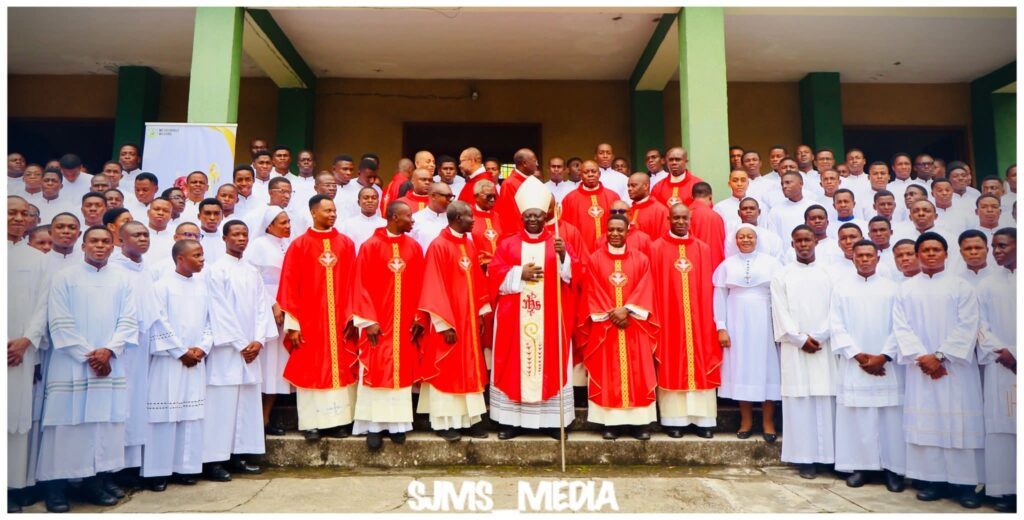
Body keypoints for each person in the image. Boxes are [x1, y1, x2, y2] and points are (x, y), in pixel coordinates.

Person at [39, 226, 137, 512]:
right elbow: (59, 320)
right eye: (93, 241)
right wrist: (90, 356)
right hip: (71, 364)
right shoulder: (64, 277)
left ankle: (94, 482)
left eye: (106, 241)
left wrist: (109, 350)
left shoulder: (122, 279)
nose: (100, 246)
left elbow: (128, 320)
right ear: (83, 246)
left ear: (113, 247)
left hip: (109, 364)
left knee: (102, 426)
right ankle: (56, 487)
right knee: (65, 426)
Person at [893, 232, 984, 509]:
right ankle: (932, 481)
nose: (931, 254)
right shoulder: (906, 289)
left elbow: (968, 325)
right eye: (925, 250)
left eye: (936, 250)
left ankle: (965, 484)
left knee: (959, 423)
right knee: (927, 424)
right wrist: (923, 358)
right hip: (921, 368)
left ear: (946, 253)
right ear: (918, 255)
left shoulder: (962, 287)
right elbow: (901, 327)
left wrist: (941, 357)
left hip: (955, 369)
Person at [488, 177, 576, 440]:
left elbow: (574, 276)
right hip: (514, 318)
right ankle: (511, 421)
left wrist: (564, 257)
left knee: (550, 365)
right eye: (529, 216)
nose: (534, 220)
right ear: (522, 217)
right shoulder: (508, 243)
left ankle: (552, 422)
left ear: (545, 216)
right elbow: (494, 275)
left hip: (550, 317)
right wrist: (519, 273)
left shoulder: (558, 242)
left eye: (538, 215)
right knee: (513, 366)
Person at [278, 196, 359, 441]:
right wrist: (293, 325)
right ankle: (311, 423)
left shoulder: (346, 244)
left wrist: (353, 317)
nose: (332, 214)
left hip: (340, 318)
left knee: (340, 366)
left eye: (334, 210)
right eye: (327, 211)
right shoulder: (299, 245)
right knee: (310, 367)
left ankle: (339, 422)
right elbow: (289, 285)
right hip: (310, 320)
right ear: (313, 213)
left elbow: (354, 282)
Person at [829, 240, 906, 492]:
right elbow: (836, 325)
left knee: (889, 418)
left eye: (869, 255)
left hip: (887, 364)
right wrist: (859, 356)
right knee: (858, 417)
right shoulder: (841, 289)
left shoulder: (893, 289)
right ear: (852, 258)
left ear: (878, 258)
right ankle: (861, 466)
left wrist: (883, 356)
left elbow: (900, 326)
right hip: (855, 363)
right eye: (859, 255)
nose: (864, 260)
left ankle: (892, 469)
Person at [202, 220, 276, 480]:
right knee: (222, 406)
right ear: (224, 238)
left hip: (251, 349)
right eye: (235, 234)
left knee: (245, 405)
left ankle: (238, 456)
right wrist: (240, 344)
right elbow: (218, 310)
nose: (241, 238)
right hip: (228, 351)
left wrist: (259, 340)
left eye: (244, 234)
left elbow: (262, 307)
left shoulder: (251, 271)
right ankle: (215, 461)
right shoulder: (216, 270)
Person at [350, 201, 425, 450]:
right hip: (378, 323)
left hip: (404, 323)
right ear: (394, 217)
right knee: (376, 369)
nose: (412, 220)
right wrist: (368, 321)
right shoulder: (370, 246)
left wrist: (419, 317)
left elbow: (421, 284)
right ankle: (374, 426)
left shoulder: (413, 247)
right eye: (408, 216)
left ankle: (398, 426)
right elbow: (360, 284)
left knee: (400, 370)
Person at [109, 221, 178, 492]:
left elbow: (153, 310)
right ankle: (111, 470)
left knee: (137, 407)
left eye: (145, 235)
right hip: (119, 349)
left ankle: (131, 467)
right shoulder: (114, 269)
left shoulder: (145, 269)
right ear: (121, 240)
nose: (143, 239)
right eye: (136, 235)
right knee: (119, 406)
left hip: (142, 348)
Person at [416, 201, 492, 442]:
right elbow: (433, 286)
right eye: (470, 216)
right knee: (448, 369)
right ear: (458, 218)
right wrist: (444, 324)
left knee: (469, 367)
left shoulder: (468, 244)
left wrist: (480, 313)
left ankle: (470, 420)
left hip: (468, 320)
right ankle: (444, 422)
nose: (474, 220)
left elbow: (478, 280)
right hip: (449, 322)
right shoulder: (438, 246)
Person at [771, 225, 837, 479]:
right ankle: (804, 458)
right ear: (792, 244)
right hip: (795, 346)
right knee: (799, 401)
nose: (803, 245)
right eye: (798, 241)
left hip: (823, 345)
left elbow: (836, 309)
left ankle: (828, 457)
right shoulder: (782, 275)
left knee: (825, 397)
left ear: (816, 242)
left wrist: (820, 336)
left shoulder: (829, 273)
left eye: (807, 240)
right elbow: (780, 310)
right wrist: (799, 339)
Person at [649, 204, 720, 438]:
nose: (680, 222)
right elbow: (653, 287)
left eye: (684, 218)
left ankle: (704, 420)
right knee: (673, 361)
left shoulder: (703, 249)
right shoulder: (656, 248)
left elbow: (710, 288)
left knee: (701, 360)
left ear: (690, 220)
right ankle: (674, 420)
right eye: (676, 218)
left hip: (700, 318)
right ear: (668, 219)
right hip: (669, 318)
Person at [142, 239, 208, 489]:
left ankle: (185, 468)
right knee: (164, 416)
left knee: (190, 416)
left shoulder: (202, 287)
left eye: (202, 255)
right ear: (180, 258)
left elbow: (211, 321)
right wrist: (181, 351)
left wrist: (202, 347)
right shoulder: (161, 287)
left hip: (195, 360)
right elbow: (158, 322)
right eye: (197, 255)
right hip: (169, 361)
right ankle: (157, 471)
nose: (202, 260)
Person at [713, 224, 783, 441]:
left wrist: (778, 326)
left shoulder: (771, 263)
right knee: (742, 369)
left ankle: (768, 423)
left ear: (757, 239)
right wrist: (721, 327)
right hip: (737, 323)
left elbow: (780, 297)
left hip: (764, 322)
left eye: (750, 236)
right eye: (741, 236)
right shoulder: (727, 265)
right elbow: (719, 298)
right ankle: (746, 421)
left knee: (767, 368)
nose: (745, 240)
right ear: (735, 241)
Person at [7, 197, 50, 512]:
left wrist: (27, 340)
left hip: (19, 353)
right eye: (11, 212)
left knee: (15, 418)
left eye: (24, 213)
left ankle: (11, 486)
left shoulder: (37, 259)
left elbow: (43, 305)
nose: (19, 218)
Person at [976, 228, 1016, 512]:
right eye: (994, 247)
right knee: (1001, 428)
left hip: (1012, 359)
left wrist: (1016, 352)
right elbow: (980, 324)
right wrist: (1002, 352)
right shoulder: (987, 285)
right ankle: (1005, 489)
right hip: (999, 364)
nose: (996, 251)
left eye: (1003, 246)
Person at [244, 207, 294, 436]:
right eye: (282, 222)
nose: (287, 226)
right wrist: (272, 303)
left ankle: (267, 417)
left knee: (277, 365)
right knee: (265, 364)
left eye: (288, 221)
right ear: (269, 225)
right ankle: (255, 420)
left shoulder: (288, 244)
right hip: (265, 307)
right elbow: (254, 280)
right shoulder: (258, 245)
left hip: (286, 306)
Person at [561, 159, 621, 252]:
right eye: (586, 172)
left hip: (609, 251)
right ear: (580, 175)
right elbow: (565, 229)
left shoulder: (613, 197)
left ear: (599, 174)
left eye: (593, 171)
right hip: (580, 252)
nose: (590, 174)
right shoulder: (570, 199)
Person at [492, 148, 540, 236]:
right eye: (534, 161)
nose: (537, 164)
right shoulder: (509, 184)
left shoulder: (532, 181)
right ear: (524, 163)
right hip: (519, 234)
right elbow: (509, 215)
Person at [766, 172, 816, 239]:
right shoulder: (775, 210)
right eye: (782, 184)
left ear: (801, 184)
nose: (784, 186)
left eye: (788, 182)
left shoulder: (814, 207)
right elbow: (773, 237)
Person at [688, 182, 727, 268]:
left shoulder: (683, 215)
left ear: (692, 197)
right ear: (710, 196)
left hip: (689, 265)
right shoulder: (716, 217)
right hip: (711, 264)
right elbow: (719, 247)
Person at [338, 186, 386, 251]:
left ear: (378, 202)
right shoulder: (347, 225)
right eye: (366, 198)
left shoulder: (385, 224)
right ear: (358, 202)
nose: (370, 200)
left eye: (374, 198)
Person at [410, 182, 453, 252]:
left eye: (451, 197)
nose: (450, 200)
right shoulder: (415, 219)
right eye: (447, 196)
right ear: (433, 196)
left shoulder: (454, 220)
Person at [470, 179, 503, 271]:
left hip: (498, 267)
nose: (492, 200)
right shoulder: (468, 217)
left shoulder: (498, 217)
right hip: (477, 268)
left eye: (494, 196)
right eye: (488, 196)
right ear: (476, 196)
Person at [626, 172, 669, 239]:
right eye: (628, 186)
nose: (629, 189)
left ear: (646, 186)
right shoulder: (628, 211)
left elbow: (663, 239)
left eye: (633, 185)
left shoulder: (660, 211)